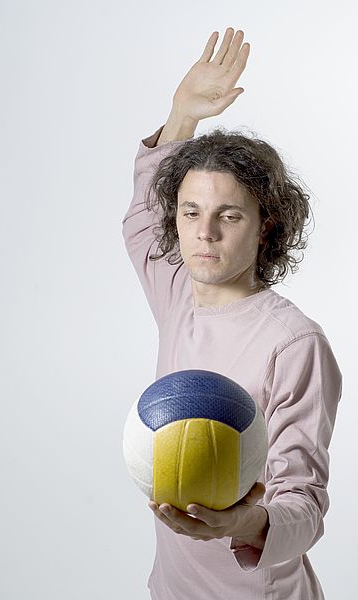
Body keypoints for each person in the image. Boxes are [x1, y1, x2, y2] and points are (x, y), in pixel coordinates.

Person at [122, 27, 342, 600]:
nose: (204, 233)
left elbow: (305, 503)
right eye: (190, 211)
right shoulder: (177, 292)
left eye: (229, 216)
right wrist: (181, 114)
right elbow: (143, 224)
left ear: (266, 224)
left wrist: (242, 523)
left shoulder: (293, 342)